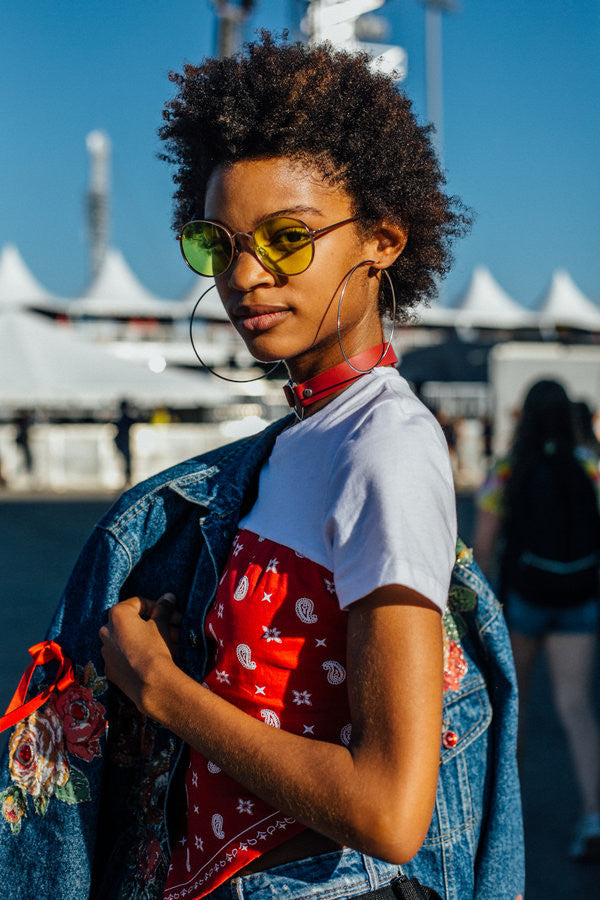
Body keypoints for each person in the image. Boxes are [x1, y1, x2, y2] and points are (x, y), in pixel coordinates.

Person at [0, 35, 523, 900]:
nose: (245, 276)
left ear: (385, 239)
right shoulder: (296, 444)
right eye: (219, 245)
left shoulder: (384, 446)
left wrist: (162, 689)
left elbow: (390, 811)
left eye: (286, 238)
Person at [474, 379, 600, 862]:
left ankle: (507, 817)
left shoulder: (508, 469)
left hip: (525, 599)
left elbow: (484, 544)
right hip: (579, 598)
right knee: (576, 706)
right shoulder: (589, 467)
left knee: (515, 704)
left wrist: (485, 601)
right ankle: (592, 814)